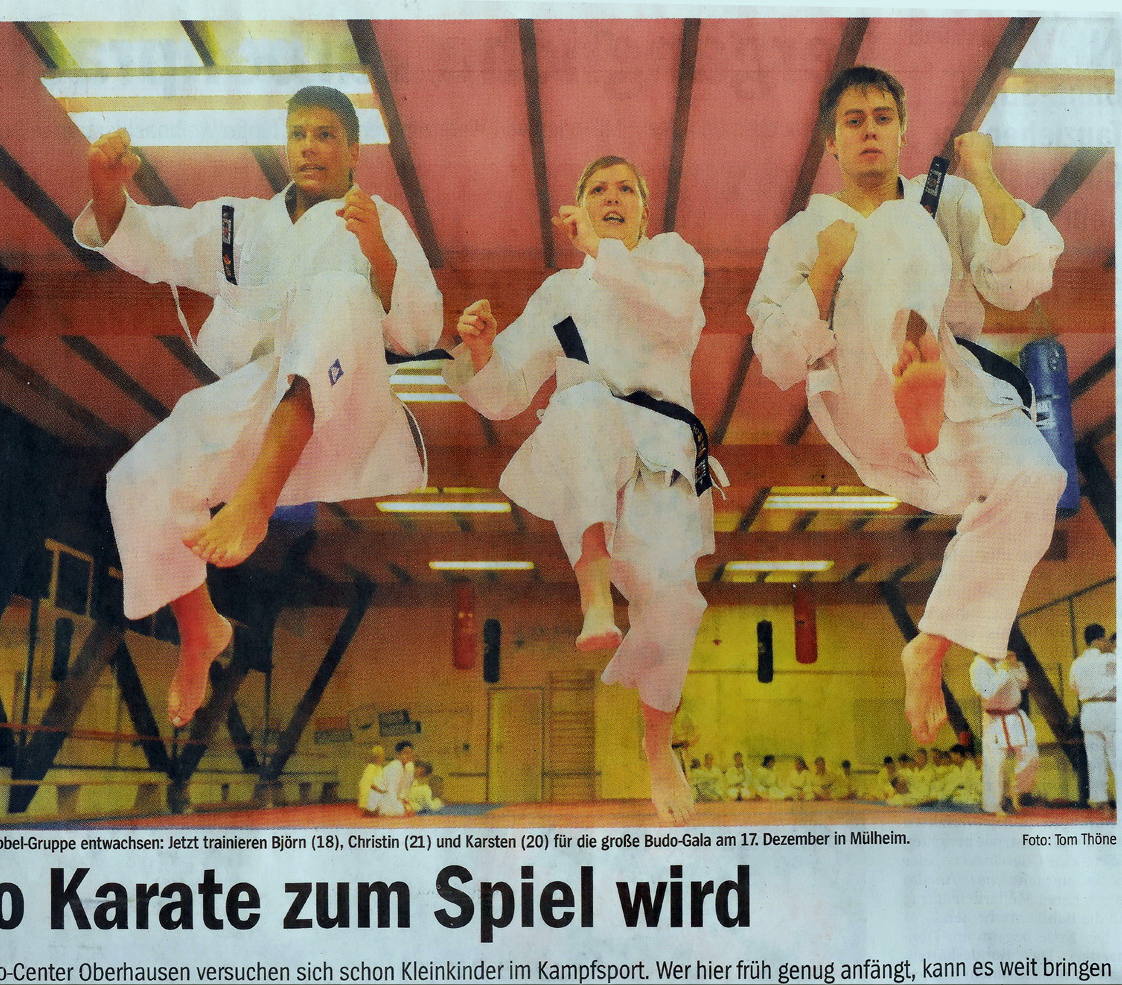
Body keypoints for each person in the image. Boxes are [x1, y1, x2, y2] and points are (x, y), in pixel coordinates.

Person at [74, 87, 442, 727]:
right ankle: (200, 629)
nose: (309, 147)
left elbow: (418, 331)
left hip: (345, 406)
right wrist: (107, 190)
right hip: (259, 403)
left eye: (325, 134)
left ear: (354, 150)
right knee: (138, 478)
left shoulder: (379, 220)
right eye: (298, 133)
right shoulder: (239, 225)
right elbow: (151, 237)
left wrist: (379, 254)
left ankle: (257, 503)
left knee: (335, 293)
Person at [748, 66, 1065, 745]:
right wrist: (825, 272)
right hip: (864, 394)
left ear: (902, 131)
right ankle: (909, 347)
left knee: (1038, 476)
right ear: (831, 142)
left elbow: (1021, 284)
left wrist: (985, 175)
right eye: (853, 120)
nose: (869, 130)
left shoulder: (949, 196)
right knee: (897, 225)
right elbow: (775, 359)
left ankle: (932, 642)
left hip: (950, 398)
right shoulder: (801, 234)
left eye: (882, 118)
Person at [443, 155, 721, 824]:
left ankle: (657, 744)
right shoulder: (560, 294)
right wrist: (482, 352)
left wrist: (603, 253)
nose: (612, 197)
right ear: (580, 205)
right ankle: (593, 593)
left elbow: (671, 316)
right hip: (588, 446)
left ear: (646, 209)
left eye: (626, 188)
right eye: (598, 189)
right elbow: (507, 392)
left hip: (662, 448)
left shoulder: (673, 259)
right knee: (582, 399)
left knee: (676, 604)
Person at [970, 652, 1038, 815]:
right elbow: (986, 692)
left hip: (1015, 716)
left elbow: (1023, 683)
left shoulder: (1002, 661)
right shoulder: (977, 667)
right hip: (994, 719)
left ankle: (1015, 791)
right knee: (995, 763)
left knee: (1031, 755)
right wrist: (1003, 671)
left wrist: (1015, 665)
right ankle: (993, 806)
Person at [1070, 624, 1116, 810]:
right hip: (1109, 710)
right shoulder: (1109, 658)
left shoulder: (1077, 663)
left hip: (1088, 711)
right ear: (1098, 640)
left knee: (1095, 760)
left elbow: (1074, 687)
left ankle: (1101, 802)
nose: (1106, 642)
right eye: (1104, 639)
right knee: (1116, 756)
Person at [367, 740, 416, 817]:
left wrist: (405, 800)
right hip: (381, 795)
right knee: (399, 811)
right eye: (405, 753)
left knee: (411, 809)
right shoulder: (394, 767)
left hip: (393, 795)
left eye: (410, 753)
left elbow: (406, 787)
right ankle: (375, 810)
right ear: (398, 755)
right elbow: (391, 790)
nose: (408, 756)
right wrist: (399, 805)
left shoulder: (409, 767)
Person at [358, 745, 386, 814]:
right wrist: (380, 790)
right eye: (381, 756)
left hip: (378, 792)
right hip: (372, 794)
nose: (383, 757)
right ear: (376, 757)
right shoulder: (371, 767)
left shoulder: (379, 767)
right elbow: (368, 784)